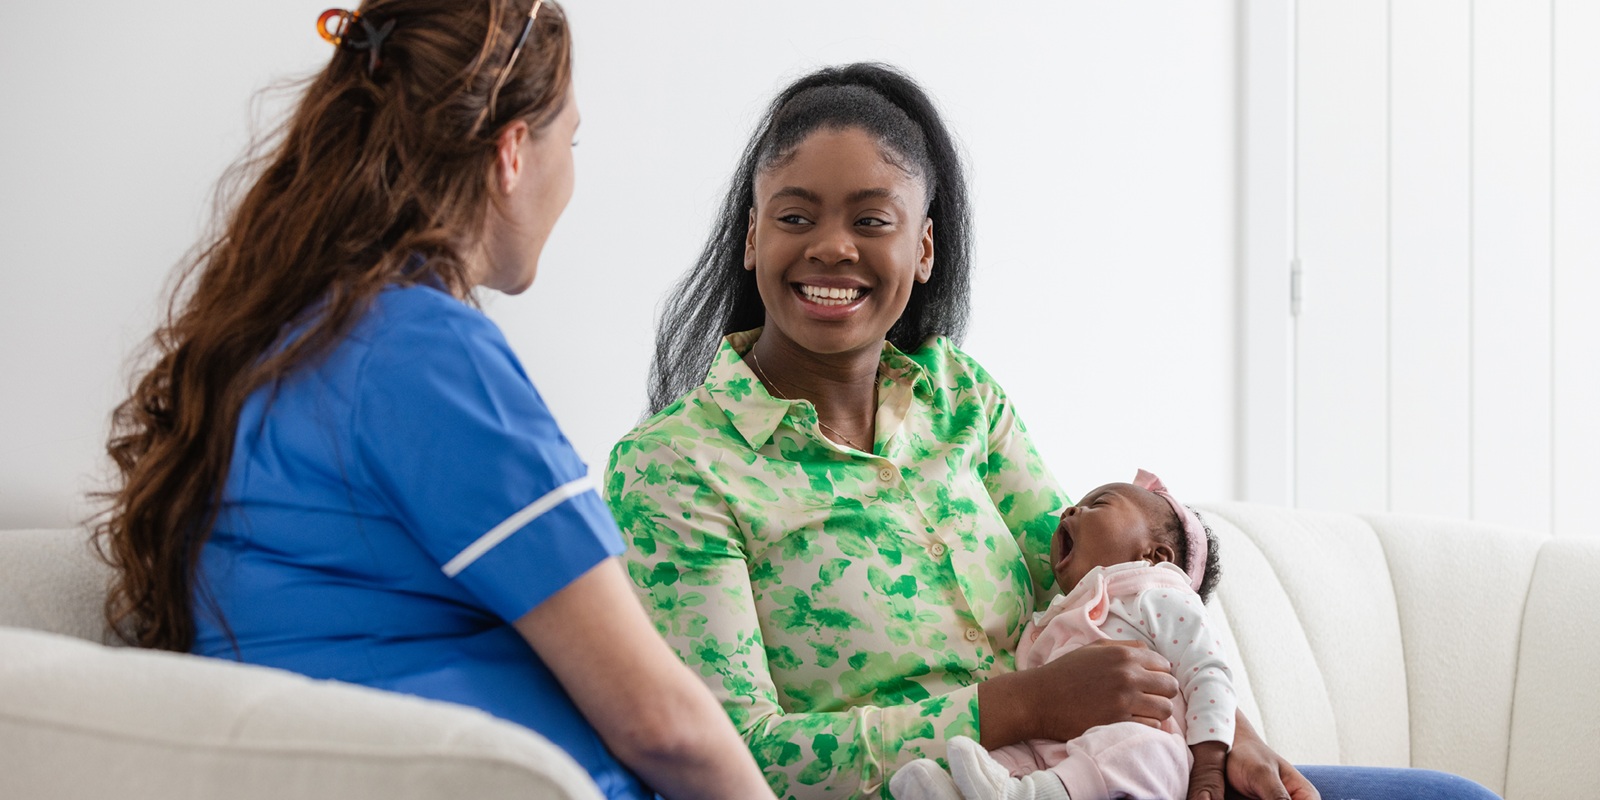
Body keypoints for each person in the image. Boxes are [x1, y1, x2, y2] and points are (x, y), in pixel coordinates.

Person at [605, 61, 1501, 800]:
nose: (832, 247)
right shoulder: (674, 469)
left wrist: (1225, 732)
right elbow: (735, 758)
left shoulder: (962, 399)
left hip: (1112, 771)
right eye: (795, 216)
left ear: (923, 249)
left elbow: (1095, 584)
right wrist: (1021, 706)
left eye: (871, 220)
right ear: (752, 238)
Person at [92, 3, 775, 799]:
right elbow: (662, 723)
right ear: (512, 152)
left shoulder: (282, 337)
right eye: (571, 140)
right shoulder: (421, 352)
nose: (571, 173)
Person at [892, 470, 1231, 800]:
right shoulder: (1055, 616)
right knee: (1009, 752)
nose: (1070, 510)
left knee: (1145, 750)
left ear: (1154, 556)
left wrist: (1209, 763)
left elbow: (1209, 672)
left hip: (1145, 753)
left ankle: (1029, 794)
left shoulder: (1160, 594)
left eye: (1099, 504)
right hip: (1059, 747)